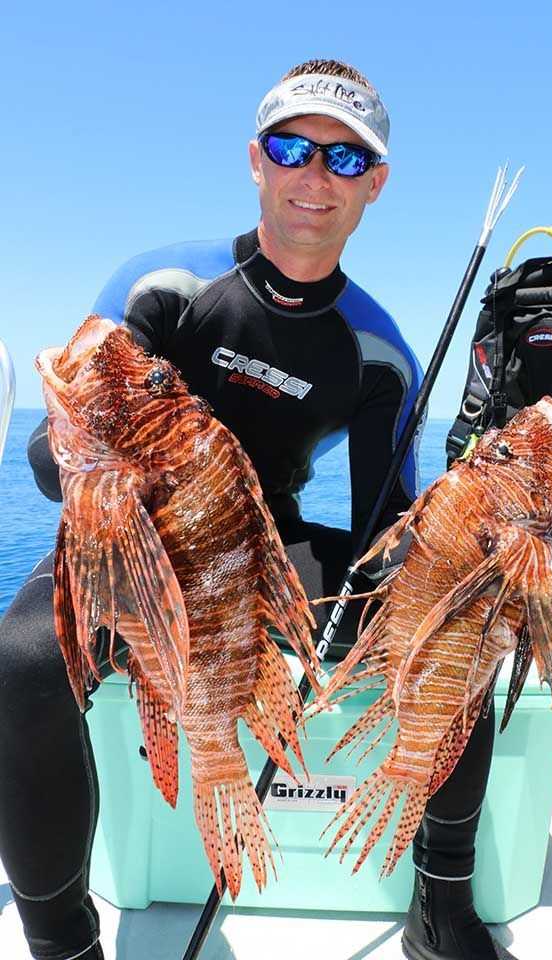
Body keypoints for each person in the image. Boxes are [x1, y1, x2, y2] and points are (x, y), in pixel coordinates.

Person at [0, 59, 513, 960]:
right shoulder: (159, 286)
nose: (315, 176)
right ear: (256, 160)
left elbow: (378, 528)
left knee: (459, 625)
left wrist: (461, 559)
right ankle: (62, 941)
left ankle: (444, 902)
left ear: (375, 184)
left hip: (267, 551)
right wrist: (77, 457)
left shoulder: (380, 351)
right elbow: (55, 466)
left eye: (345, 160)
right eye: (292, 147)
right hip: (130, 546)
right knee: (17, 660)